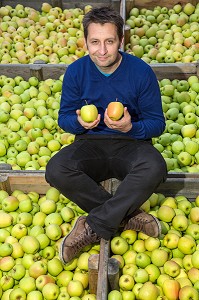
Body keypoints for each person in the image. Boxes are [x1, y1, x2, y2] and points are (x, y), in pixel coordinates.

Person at [45, 6, 167, 264]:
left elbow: (157, 124)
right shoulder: (77, 71)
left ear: (121, 41)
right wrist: (79, 123)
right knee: (56, 169)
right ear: (86, 42)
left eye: (109, 42)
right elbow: (64, 118)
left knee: (156, 166)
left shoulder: (141, 72)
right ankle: (127, 216)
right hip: (91, 143)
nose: (102, 51)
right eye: (95, 42)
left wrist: (130, 127)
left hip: (131, 143)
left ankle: (92, 225)